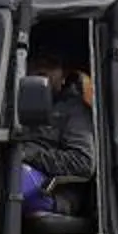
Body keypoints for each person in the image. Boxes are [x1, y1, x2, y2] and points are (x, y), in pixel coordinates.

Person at [17, 43, 97, 213]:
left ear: (63, 74)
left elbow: (83, 163)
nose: (42, 71)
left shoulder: (74, 111)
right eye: (36, 64)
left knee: (17, 184)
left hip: (55, 191)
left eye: (51, 65)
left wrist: (29, 154)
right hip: (10, 175)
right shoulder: (9, 107)